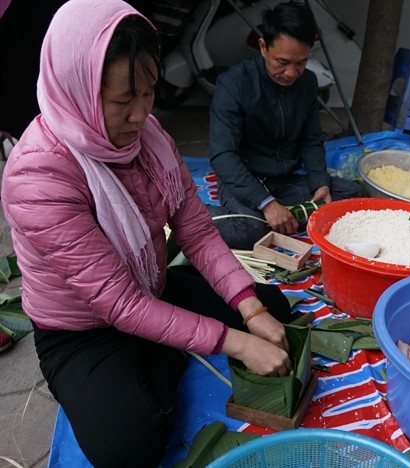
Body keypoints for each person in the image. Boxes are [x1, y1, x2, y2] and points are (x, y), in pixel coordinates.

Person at [1, 0, 293, 465]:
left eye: (149, 93)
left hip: (149, 287)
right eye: (123, 100)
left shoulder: (150, 137)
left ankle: (168, 340)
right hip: (80, 330)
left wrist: (249, 307)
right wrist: (235, 341)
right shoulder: (38, 176)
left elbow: (195, 230)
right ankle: (166, 348)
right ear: (77, 88)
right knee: (127, 448)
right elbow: (117, 304)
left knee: (275, 309)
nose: (140, 115)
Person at [208, 0, 362, 250]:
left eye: (300, 62)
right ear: (263, 47)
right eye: (282, 62)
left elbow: (311, 140)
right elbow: (223, 155)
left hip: (286, 182)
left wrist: (320, 182)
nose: (291, 73)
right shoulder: (234, 84)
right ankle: (197, 217)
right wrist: (266, 202)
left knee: (353, 197)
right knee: (251, 231)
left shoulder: (308, 84)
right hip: (245, 181)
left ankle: (281, 215)